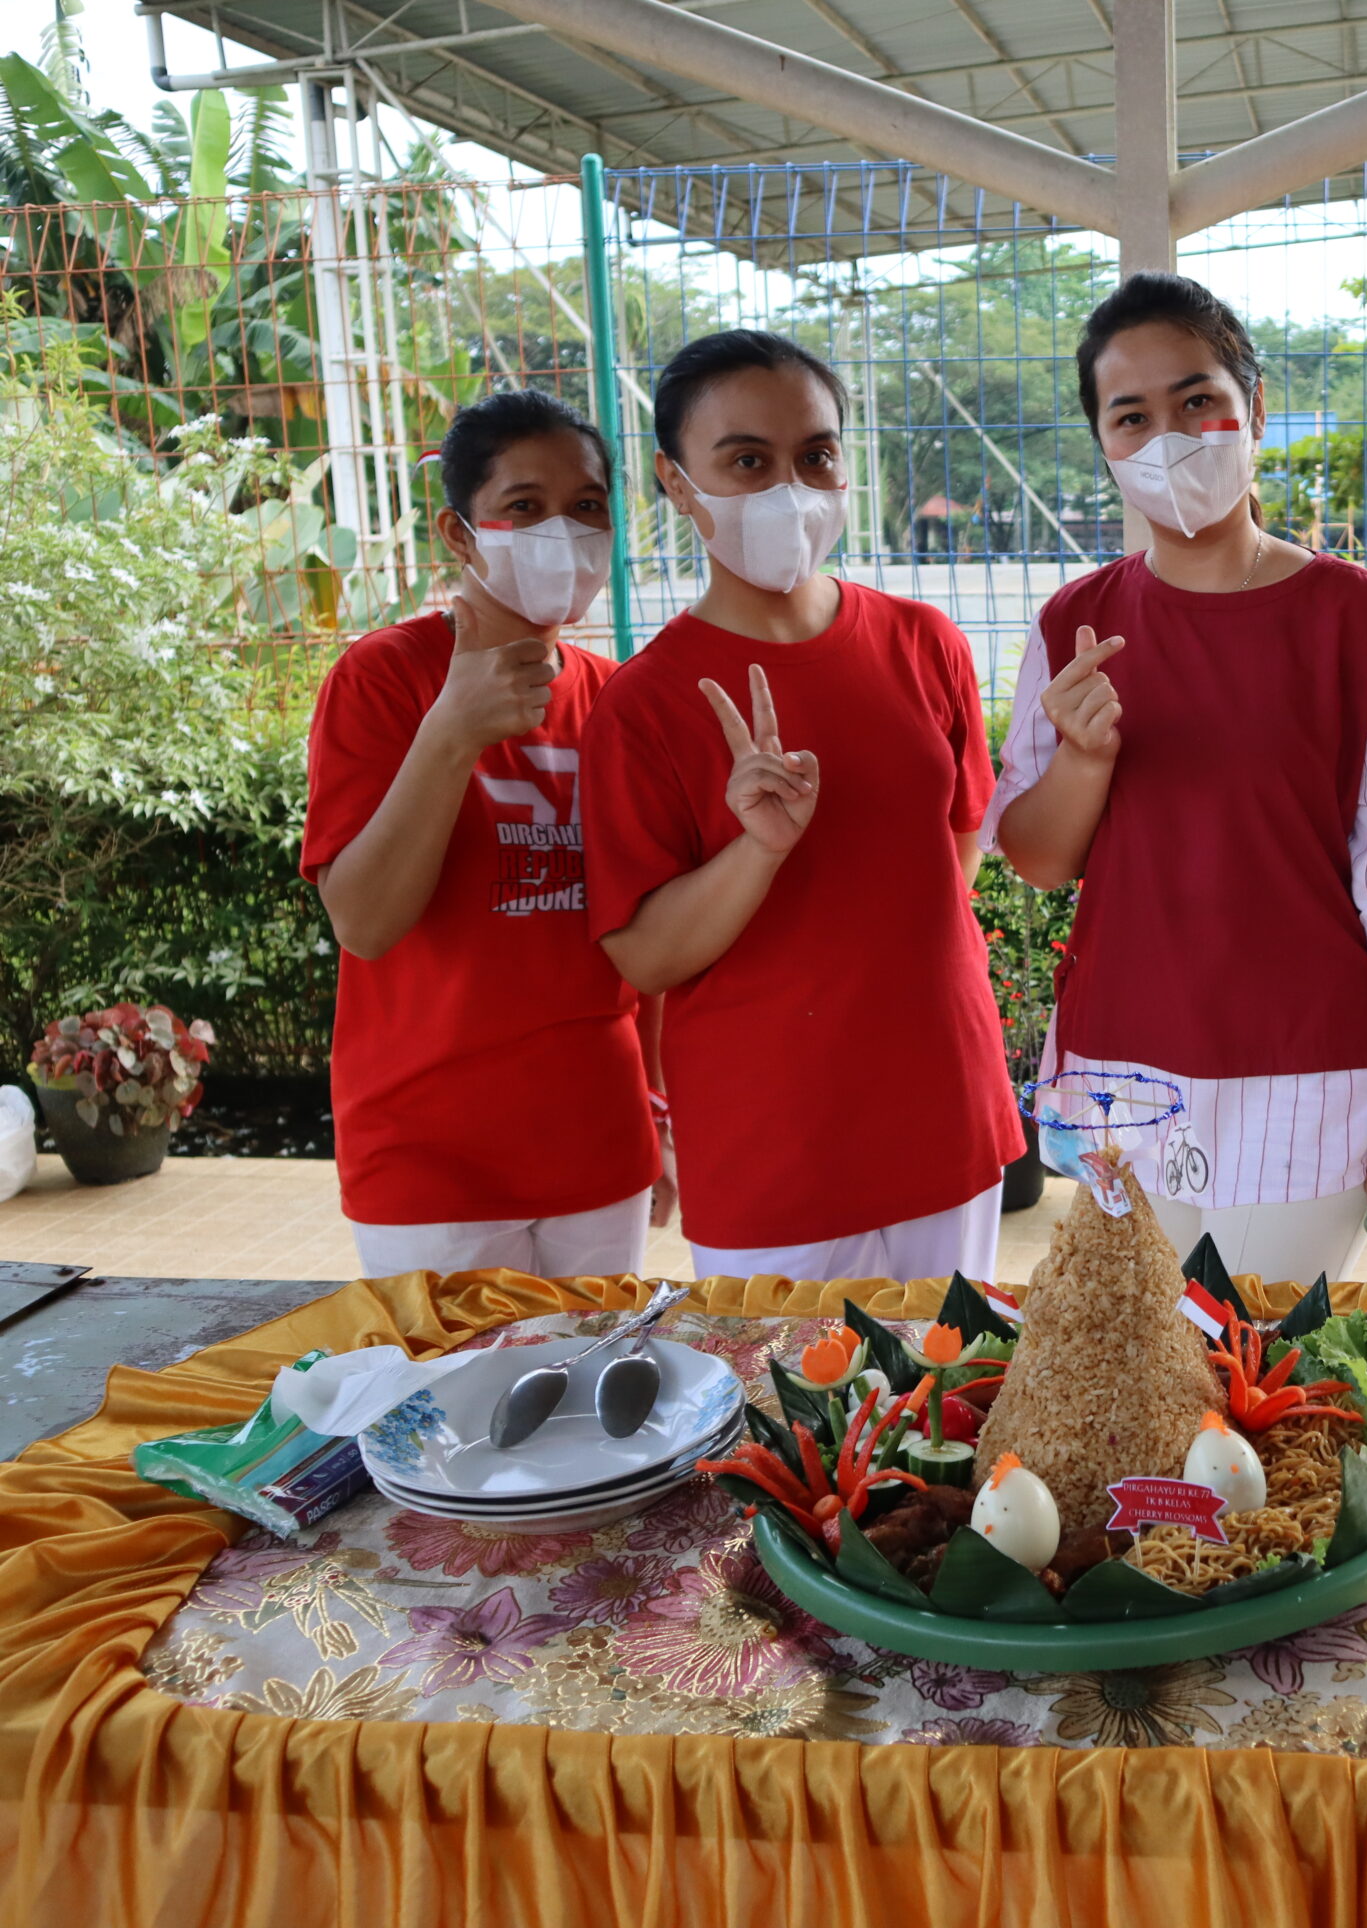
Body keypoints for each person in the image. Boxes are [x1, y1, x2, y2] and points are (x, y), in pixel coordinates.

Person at [990, 273, 1367, 1286]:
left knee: (1264, 1379)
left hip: (1310, 1079)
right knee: (1143, 1372)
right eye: (1132, 415)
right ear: (1106, 446)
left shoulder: (1354, 619)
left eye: (1197, 400)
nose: (1169, 435)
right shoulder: (1072, 625)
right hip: (1125, 1074)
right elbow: (1037, 856)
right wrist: (1084, 757)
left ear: (1252, 407)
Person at [580, 329, 1016, 1284]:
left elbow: (960, 838)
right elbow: (644, 951)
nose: (790, 489)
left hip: (944, 1114)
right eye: (747, 461)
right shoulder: (645, 705)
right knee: (802, 1426)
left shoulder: (923, 642)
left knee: (954, 1412)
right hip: (773, 1150)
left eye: (815, 455)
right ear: (676, 481)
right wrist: (758, 852)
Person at [303, 388, 671, 1278]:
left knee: (595, 1408)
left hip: (596, 1145)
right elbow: (364, 921)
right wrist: (450, 732)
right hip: (430, 1160)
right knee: (448, 1415)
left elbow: (648, 937)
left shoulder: (616, 697)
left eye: (586, 507)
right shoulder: (383, 681)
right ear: (460, 534)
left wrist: (659, 1112)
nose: (563, 532)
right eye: (524, 507)